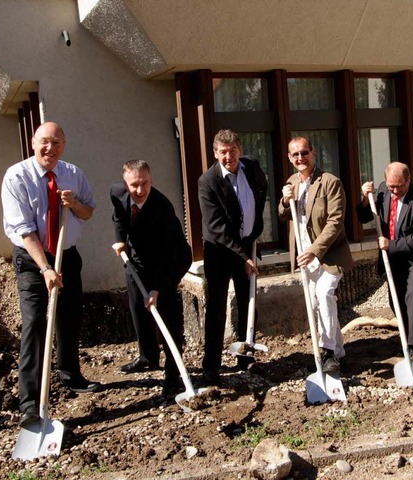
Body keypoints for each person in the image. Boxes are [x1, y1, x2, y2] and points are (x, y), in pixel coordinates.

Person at [1, 122, 101, 427]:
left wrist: (75, 204)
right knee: (35, 322)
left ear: (64, 145)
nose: (50, 148)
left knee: (70, 316)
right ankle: (30, 402)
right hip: (33, 259)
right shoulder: (17, 176)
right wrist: (45, 268)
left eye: (57, 143)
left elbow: (88, 212)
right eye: (45, 142)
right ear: (33, 143)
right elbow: (23, 230)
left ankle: (70, 375)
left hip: (67, 255)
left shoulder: (73, 173)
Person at [110, 160, 192, 394]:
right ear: (125, 184)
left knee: (167, 316)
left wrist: (157, 288)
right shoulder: (116, 192)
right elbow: (117, 214)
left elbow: (168, 255)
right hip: (136, 262)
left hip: (169, 261)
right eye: (134, 184)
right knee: (138, 309)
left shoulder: (162, 208)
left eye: (145, 183)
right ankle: (147, 357)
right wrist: (120, 238)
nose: (140, 190)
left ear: (151, 180)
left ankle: (173, 373)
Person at [197, 129, 268, 386]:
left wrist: (256, 226)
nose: (229, 156)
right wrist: (242, 257)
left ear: (240, 149)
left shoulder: (251, 166)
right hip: (220, 251)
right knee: (216, 307)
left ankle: (245, 355)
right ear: (216, 154)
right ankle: (212, 366)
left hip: (247, 246)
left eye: (233, 151)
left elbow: (262, 189)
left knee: (249, 302)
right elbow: (216, 228)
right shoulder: (208, 181)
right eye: (223, 152)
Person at [278, 137, 353, 375]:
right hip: (304, 257)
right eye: (295, 155)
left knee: (324, 295)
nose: (300, 158)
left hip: (329, 255)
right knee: (317, 304)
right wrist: (285, 200)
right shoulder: (291, 182)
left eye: (304, 153)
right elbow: (283, 215)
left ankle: (328, 352)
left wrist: (314, 251)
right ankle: (338, 351)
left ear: (313, 152)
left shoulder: (330, 182)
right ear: (290, 158)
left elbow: (335, 222)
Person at [356, 162, 413, 361]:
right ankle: (408, 333)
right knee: (396, 299)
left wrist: (389, 244)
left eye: (399, 186)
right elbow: (364, 217)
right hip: (394, 257)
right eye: (391, 186)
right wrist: (365, 199)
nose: (394, 191)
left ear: (408, 180)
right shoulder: (384, 190)